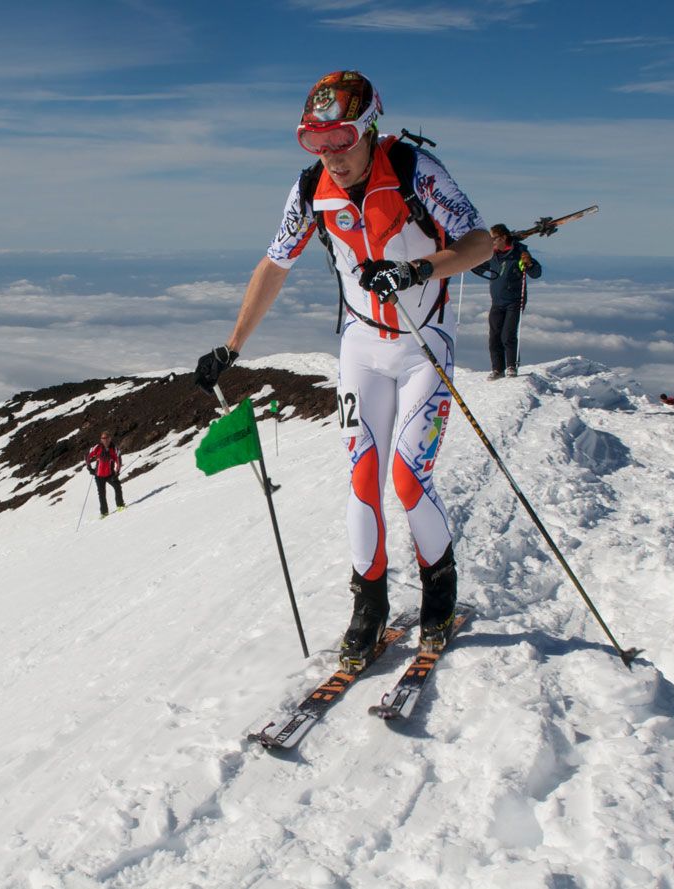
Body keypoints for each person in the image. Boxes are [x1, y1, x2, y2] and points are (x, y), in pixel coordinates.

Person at [193, 70, 491, 665]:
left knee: (407, 480)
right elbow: (274, 265)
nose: (331, 156)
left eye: (342, 140)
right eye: (315, 142)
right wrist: (232, 346)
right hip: (361, 345)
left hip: (422, 341)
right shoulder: (309, 191)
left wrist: (416, 270)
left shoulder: (414, 171)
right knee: (362, 481)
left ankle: (440, 587)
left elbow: (479, 243)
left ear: (370, 129)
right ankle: (369, 603)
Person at [473, 223, 542, 379]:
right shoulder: (492, 254)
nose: (491, 242)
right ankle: (498, 369)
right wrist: (471, 258)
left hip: (515, 301)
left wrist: (529, 264)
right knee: (494, 336)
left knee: (507, 334)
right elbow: (478, 268)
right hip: (497, 302)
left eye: (494, 239)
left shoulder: (519, 252)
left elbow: (536, 273)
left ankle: (511, 366)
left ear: (503, 237)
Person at [85, 431, 125, 517]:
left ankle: (120, 506)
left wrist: (117, 473)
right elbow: (88, 456)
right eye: (103, 438)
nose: (105, 440)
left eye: (107, 438)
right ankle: (104, 512)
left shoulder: (115, 449)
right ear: (101, 439)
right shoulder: (97, 447)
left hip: (110, 474)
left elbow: (118, 460)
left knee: (117, 487)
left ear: (110, 438)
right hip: (98, 475)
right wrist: (89, 468)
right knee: (101, 493)